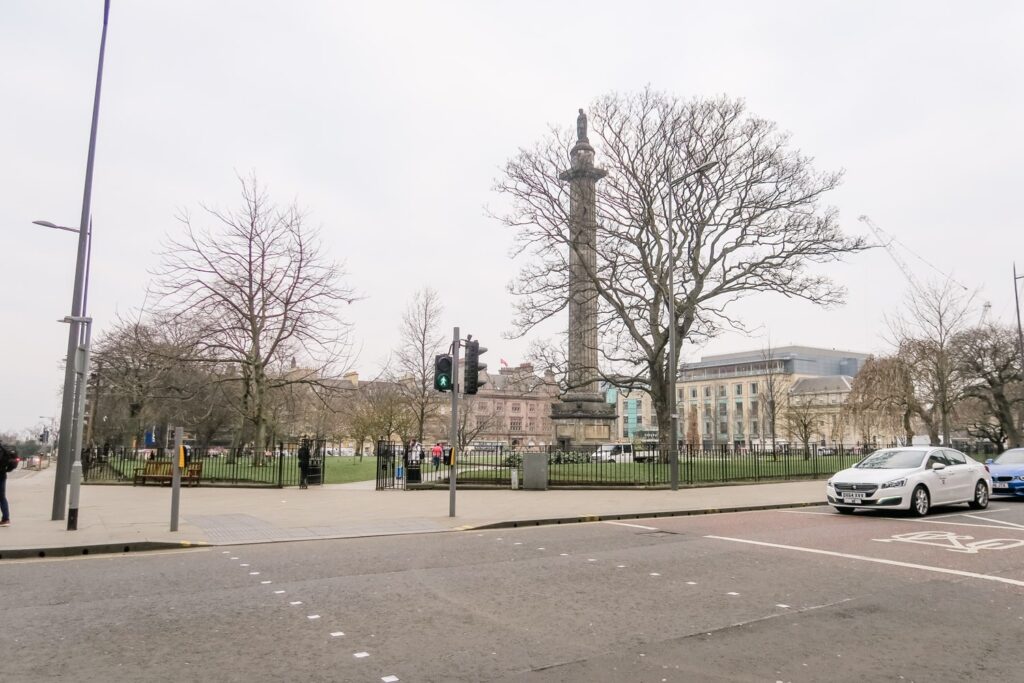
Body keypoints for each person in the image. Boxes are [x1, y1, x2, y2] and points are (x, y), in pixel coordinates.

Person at [0, 441, 18, 526]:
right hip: (2, 474)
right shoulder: (4, 447)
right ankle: (6, 519)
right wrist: (6, 470)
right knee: (2, 497)